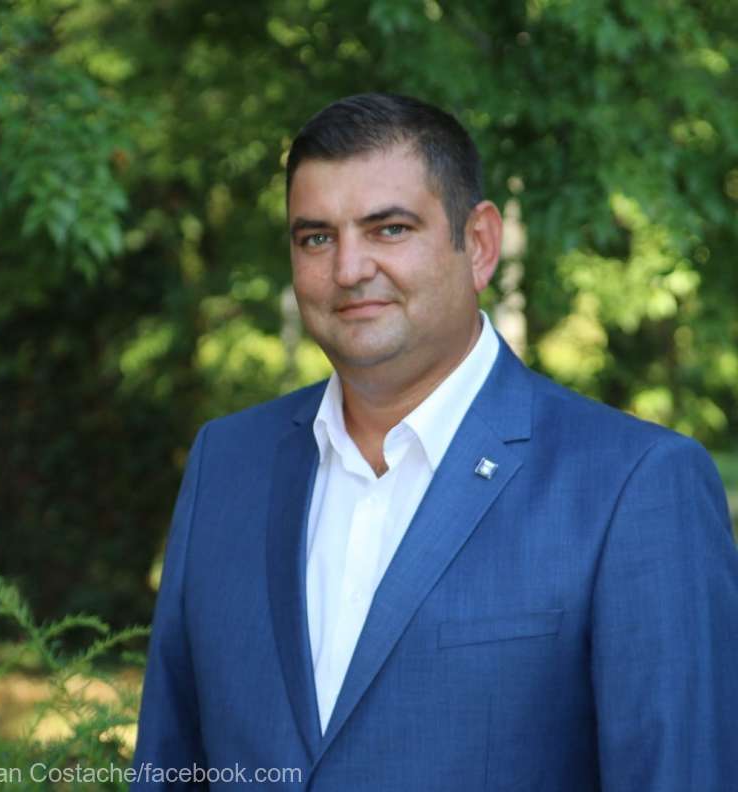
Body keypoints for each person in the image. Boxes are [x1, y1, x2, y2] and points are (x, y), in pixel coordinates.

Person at [131, 93, 738, 790]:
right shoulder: (226, 465)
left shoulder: (634, 485)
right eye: (317, 238)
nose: (349, 269)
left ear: (478, 244)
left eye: (389, 229)